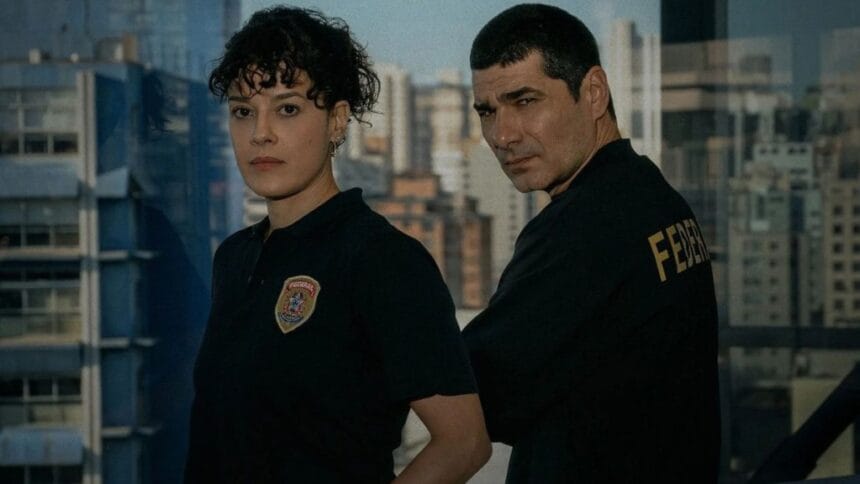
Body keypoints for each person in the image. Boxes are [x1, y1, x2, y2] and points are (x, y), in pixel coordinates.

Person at [184, 6, 490, 483]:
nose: (260, 133)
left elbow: (464, 442)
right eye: (243, 111)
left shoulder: (381, 258)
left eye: (287, 108)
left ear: (337, 120)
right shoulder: (234, 256)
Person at [462, 4, 720, 483]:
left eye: (525, 101)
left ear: (594, 92)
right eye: (487, 111)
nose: (502, 135)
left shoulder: (586, 226)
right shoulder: (654, 198)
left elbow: (474, 398)